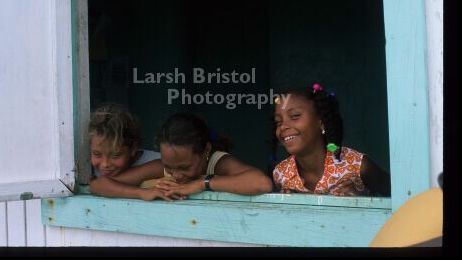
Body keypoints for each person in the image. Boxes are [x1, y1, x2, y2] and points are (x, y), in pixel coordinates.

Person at [90, 112, 273, 201]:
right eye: (169, 167)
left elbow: (261, 183)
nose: (175, 175)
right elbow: (98, 185)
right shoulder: (162, 166)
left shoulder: (218, 162)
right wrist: (143, 193)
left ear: (206, 151)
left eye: (184, 167)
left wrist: (200, 184)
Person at [272, 84, 390, 196]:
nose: (283, 126)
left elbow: (398, 194)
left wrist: (362, 201)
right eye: (278, 122)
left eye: (294, 116)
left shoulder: (357, 166)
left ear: (321, 122)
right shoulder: (281, 174)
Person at [89, 103, 161, 179]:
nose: (105, 164)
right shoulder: (87, 170)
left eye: (115, 155)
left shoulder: (164, 164)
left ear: (133, 148)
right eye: (97, 154)